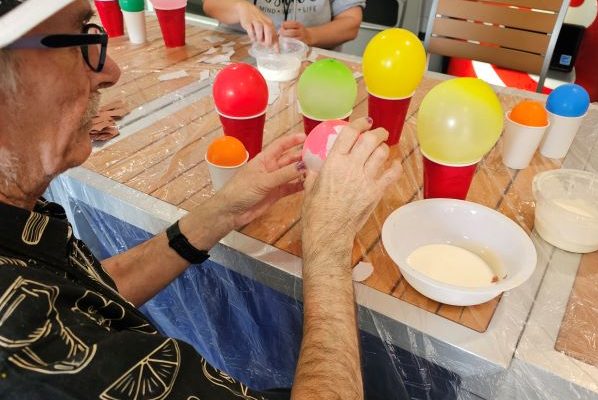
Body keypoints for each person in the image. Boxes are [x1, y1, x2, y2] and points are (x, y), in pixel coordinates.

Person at [0, 0, 400, 399]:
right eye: (77, 44)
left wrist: (225, 208)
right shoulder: (31, 356)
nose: (111, 72)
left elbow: (90, 292)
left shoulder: (19, 231)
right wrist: (328, 245)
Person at [202, 0, 365, 49]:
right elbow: (211, 5)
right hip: (233, 56)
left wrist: (310, 35)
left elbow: (351, 22)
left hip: (312, 65)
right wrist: (240, 7)